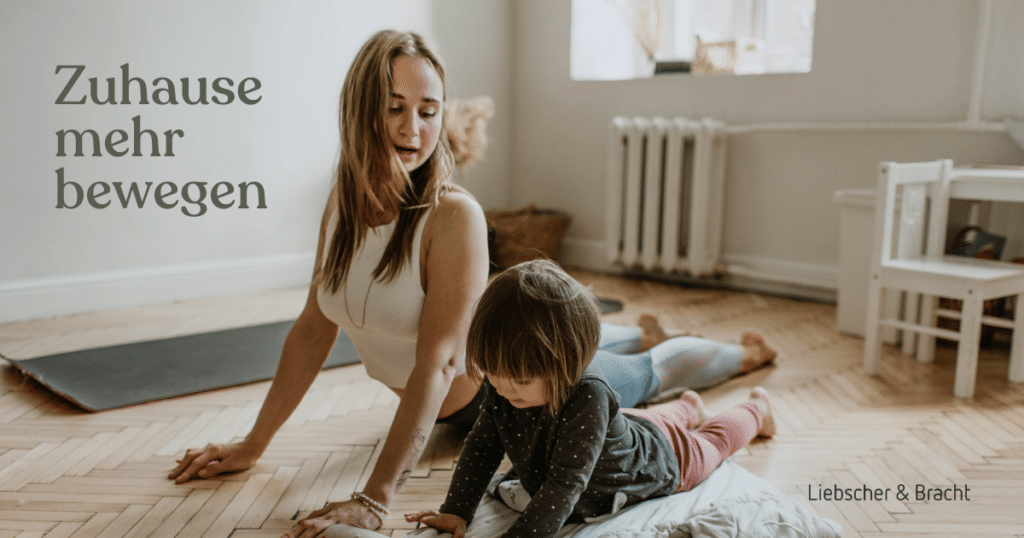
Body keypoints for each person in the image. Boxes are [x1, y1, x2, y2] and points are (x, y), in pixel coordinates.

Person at [166, 30, 774, 537]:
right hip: (492, 376)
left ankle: (743, 355)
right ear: (359, 109)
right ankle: (632, 342)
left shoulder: (452, 215)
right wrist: (252, 446)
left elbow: (438, 364)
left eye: (428, 111)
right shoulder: (342, 207)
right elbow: (311, 331)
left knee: (645, 372)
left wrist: (376, 499)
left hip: (500, 392)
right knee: (604, 343)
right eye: (395, 106)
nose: (413, 128)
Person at [405, 260, 775, 538]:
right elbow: (483, 446)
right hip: (630, 429)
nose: (503, 389)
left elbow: (565, 484)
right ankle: (689, 406)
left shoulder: (588, 395)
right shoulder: (505, 386)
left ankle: (757, 408)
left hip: (660, 461)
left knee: (714, 441)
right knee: (646, 423)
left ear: (567, 363)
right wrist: (456, 509)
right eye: (493, 374)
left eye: (519, 379)